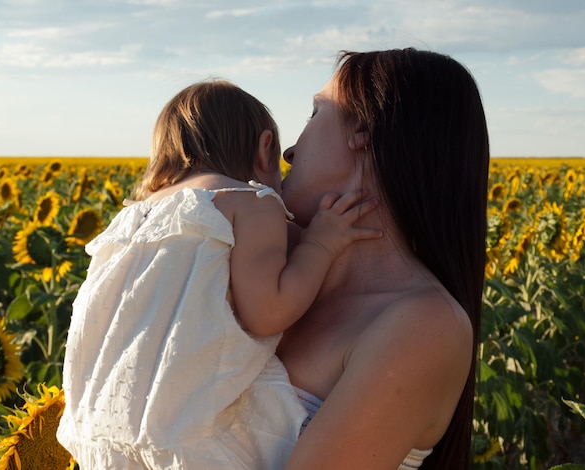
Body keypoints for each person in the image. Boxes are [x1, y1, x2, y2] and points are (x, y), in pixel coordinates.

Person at [56, 79, 381, 469]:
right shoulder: (250, 203)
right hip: (185, 439)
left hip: (100, 434)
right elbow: (268, 313)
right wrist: (322, 244)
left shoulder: (129, 221)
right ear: (265, 151)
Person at [277, 48, 490, 469]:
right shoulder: (272, 268)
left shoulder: (425, 326)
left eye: (314, 114)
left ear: (365, 132)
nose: (288, 151)